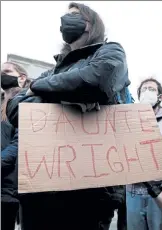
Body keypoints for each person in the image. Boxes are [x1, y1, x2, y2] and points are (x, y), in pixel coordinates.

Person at [6, 2, 130, 230]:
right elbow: (15, 109)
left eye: (74, 15)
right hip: (39, 192)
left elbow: (97, 81)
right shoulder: (51, 71)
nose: (66, 20)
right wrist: (63, 95)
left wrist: (38, 90)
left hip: (89, 194)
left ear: (90, 24)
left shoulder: (110, 51)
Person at [126, 78, 162, 230]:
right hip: (133, 193)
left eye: (152, 89)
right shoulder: (128, 121)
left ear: (160, 97)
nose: (147, 92)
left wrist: (160, 163)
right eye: (144, 89)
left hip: (161, 192)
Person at [1, 62, 31, 230]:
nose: (2, 76)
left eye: (6, 72)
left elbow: (20, 143)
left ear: (21, 78)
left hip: (10, 186)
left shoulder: (25, 103)